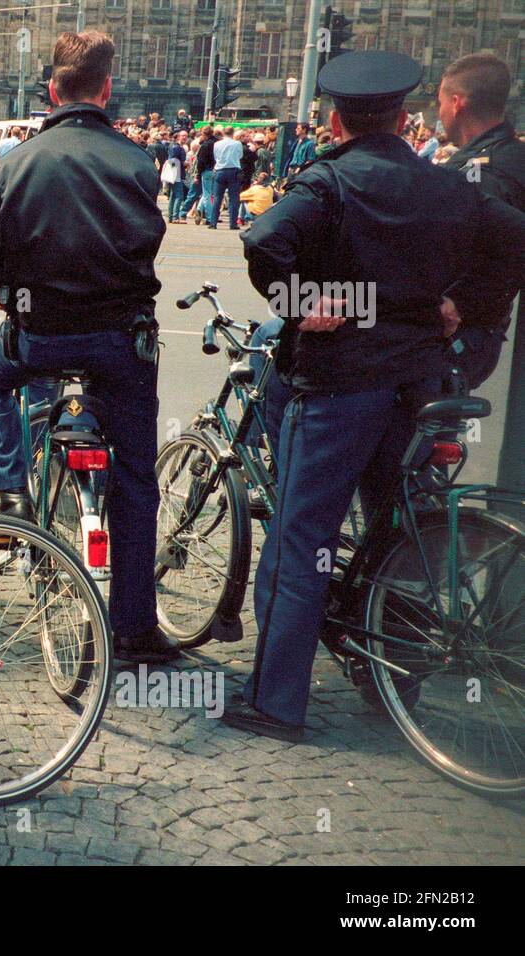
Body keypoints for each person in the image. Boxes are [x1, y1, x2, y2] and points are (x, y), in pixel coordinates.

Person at [223, 51, 525, 742]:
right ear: (402, 117)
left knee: (303, 538)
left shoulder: (328, 182)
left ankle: (274, 702)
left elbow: (264, 238)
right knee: (400, 532)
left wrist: (301, 303)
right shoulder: (449, 185)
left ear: (335, 118)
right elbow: (516, 242)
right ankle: (395, 679)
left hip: (339, 386)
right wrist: (466, 307)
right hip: (418, 385)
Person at [0, 31, 177, 665]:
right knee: (138, 483)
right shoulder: (137, 162)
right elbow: (148, 245)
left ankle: (11, 491)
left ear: (53, 90)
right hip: (122, 343)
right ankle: (135, 630)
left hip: (41, 338)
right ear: (106, 90)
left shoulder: (16, 161)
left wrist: (18, 303)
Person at [439, 52, 525, 390]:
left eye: (442, 102)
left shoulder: (478, 173)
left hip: (458, 333)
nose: (441, 113)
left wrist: (457, 303)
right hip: (482, 332)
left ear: (457, 103)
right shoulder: (515, 158)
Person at [209, 126, 243, 229]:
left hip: (220, 170)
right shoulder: (237, 144)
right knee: (233, 198)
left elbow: (216, 157)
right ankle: (233, 223)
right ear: (233, 133)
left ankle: (213, 222)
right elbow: (240, 156)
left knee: (217, 198)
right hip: (233, 170)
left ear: (223, 133)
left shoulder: (217, 144)